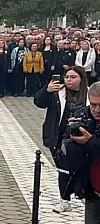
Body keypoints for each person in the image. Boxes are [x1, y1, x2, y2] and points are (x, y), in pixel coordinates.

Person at [34, 67, 90, 214]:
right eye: (67, 77)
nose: (69, 80)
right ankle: (65, 200)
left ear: (81, 79)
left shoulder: (89, 94)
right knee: (63, 170)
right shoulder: (57, 91)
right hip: (58, 136)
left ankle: (80, 192)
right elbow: (38, 102)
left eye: (73, 77)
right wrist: (46, 90)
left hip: (82, 136)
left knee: (81, 169)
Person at [65, 82, 100, 224]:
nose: (96, 110)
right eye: (93, 105)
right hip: (94, 192)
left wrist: (90, 141)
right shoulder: (87, 120)